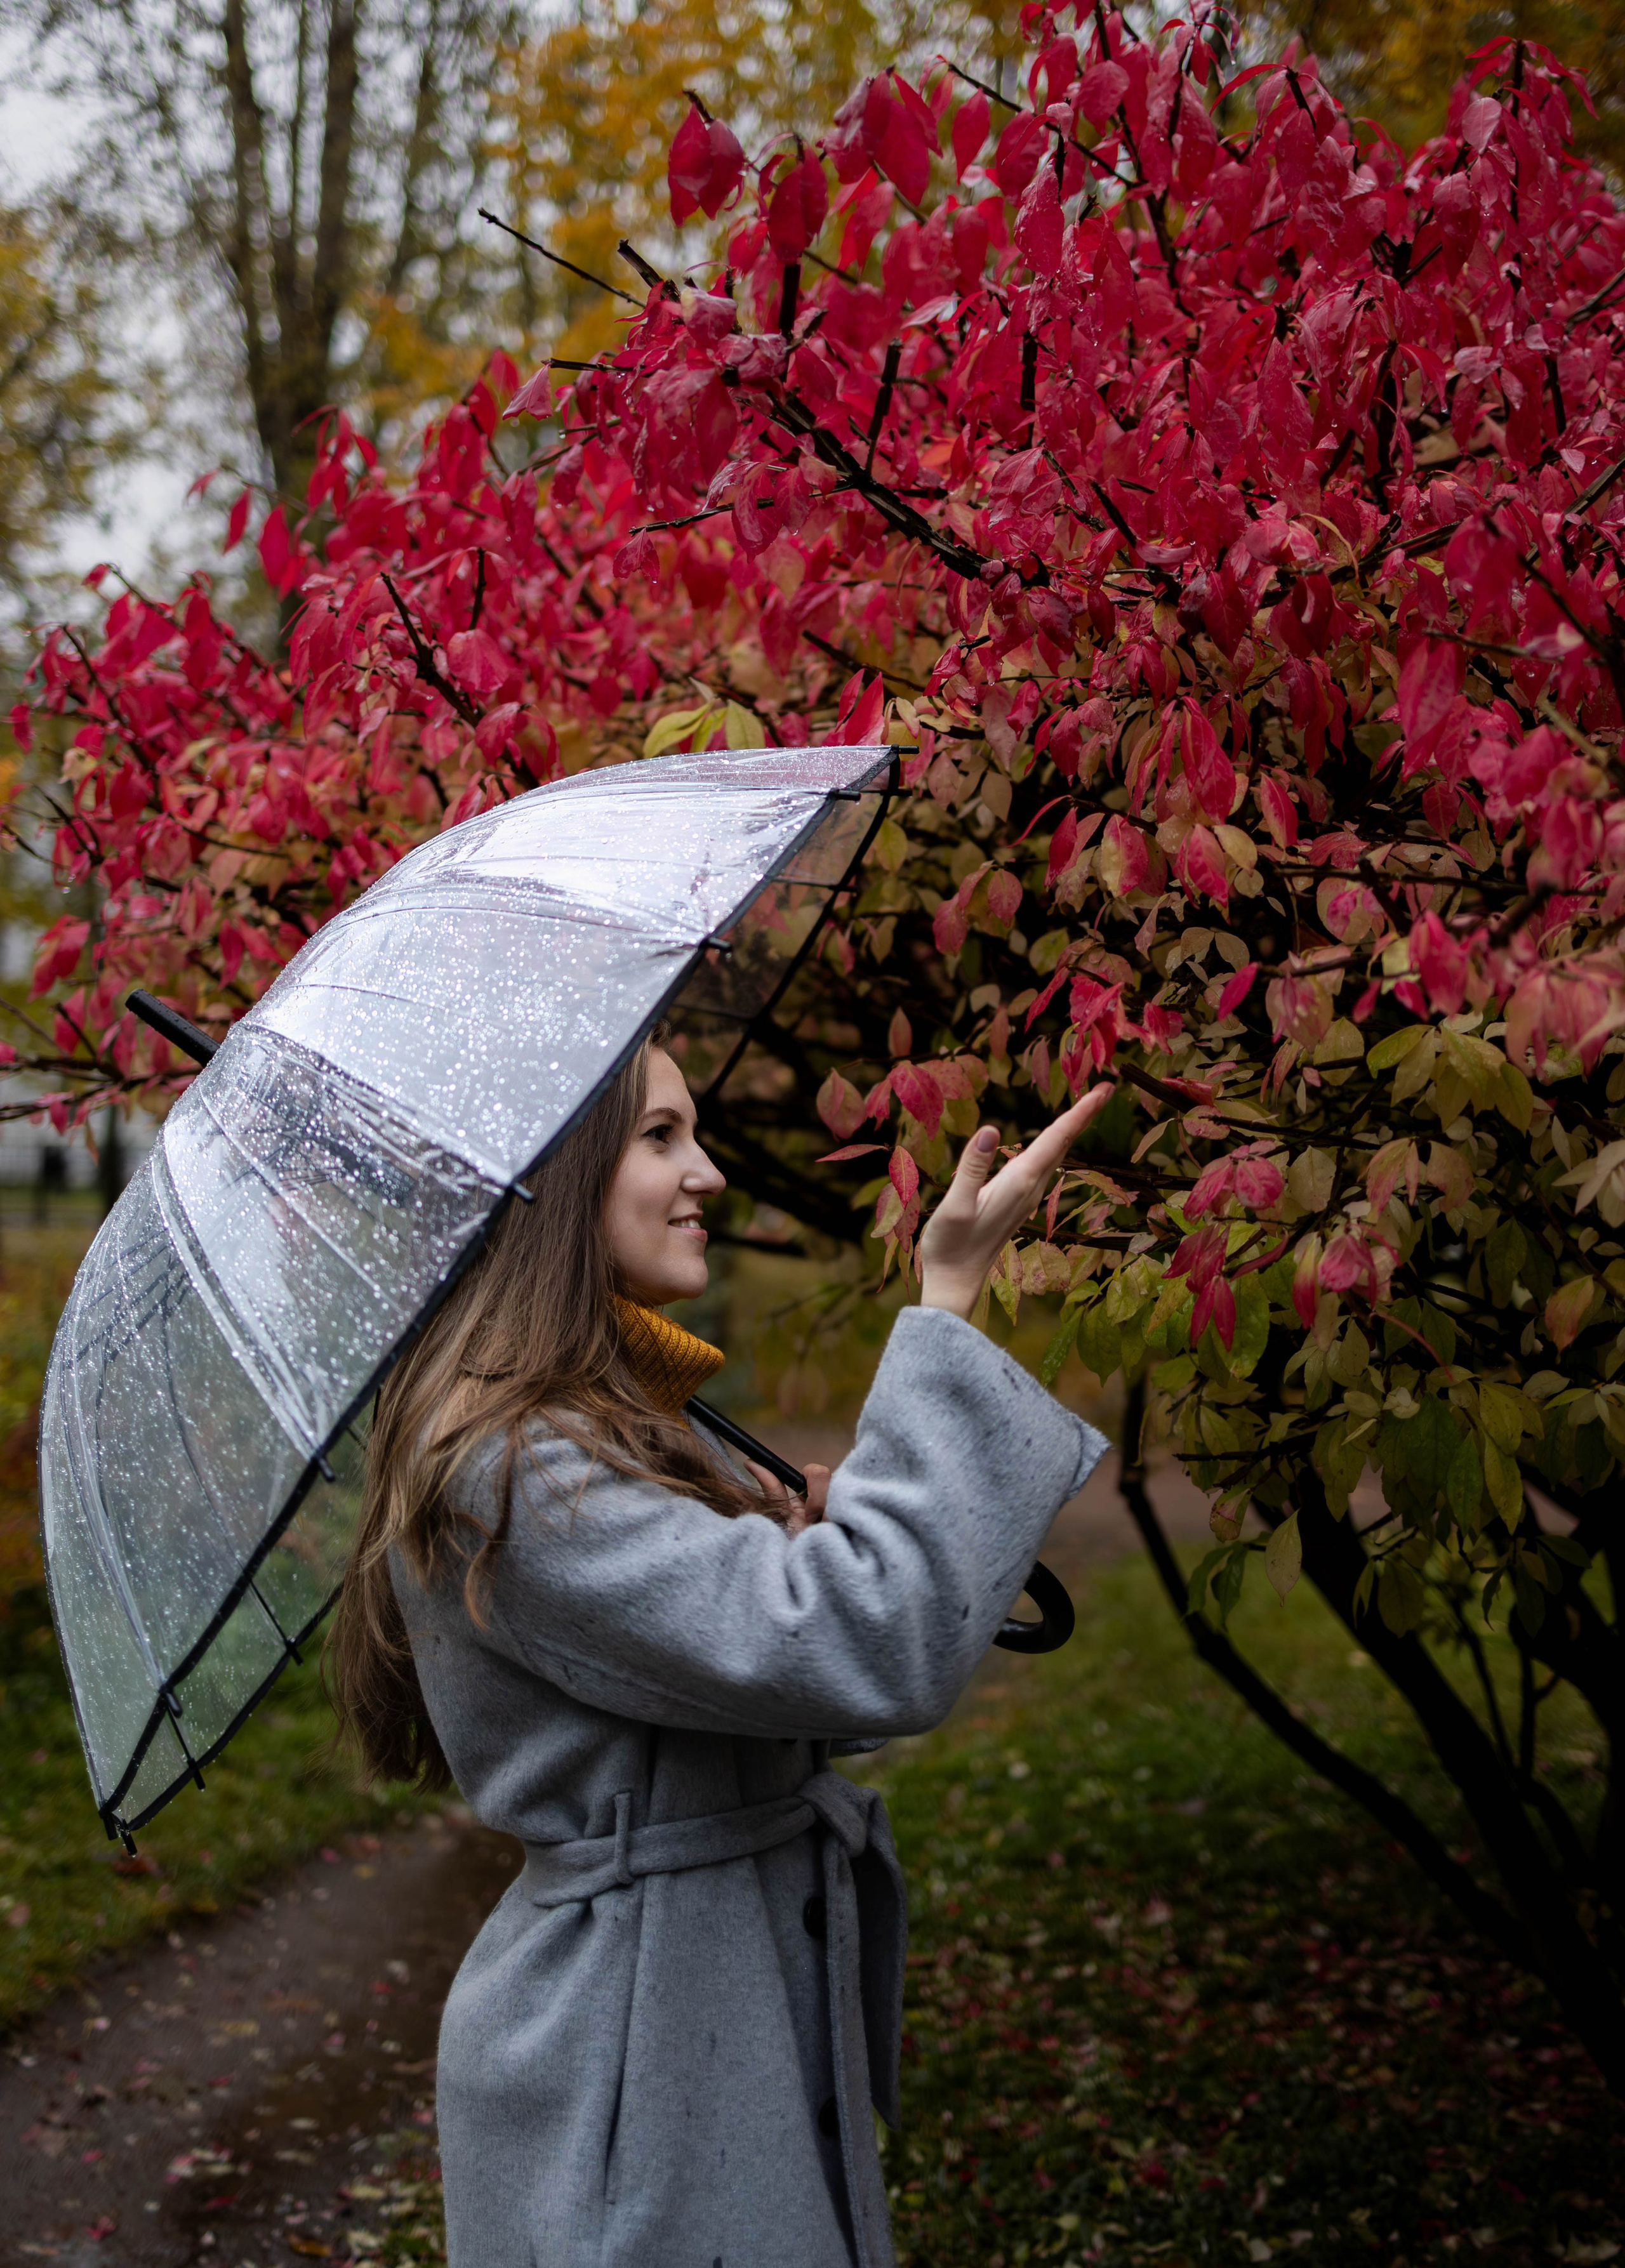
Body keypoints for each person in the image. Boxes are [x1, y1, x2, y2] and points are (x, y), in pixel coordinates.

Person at [328, 1030, 1113, 2268]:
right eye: (657, 1137)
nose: (706, 1172)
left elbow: (775, 1686)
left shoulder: (617, 1423)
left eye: (692, 1131)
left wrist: (802, 1551)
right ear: (543, 1178)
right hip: (627, 2058)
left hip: (696, 1999)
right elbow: (864, 1647)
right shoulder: (512, 1460)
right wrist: (947, 1293)